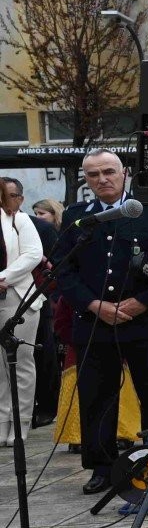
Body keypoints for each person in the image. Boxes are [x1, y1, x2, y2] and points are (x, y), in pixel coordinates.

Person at [56, 150, 148, 495]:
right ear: (86, 179)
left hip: (145, 322)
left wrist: (142, 302)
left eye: (109, 171)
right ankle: (100, 467)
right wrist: (94, 303)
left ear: (125, 172)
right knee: (97, 399)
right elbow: (63, 271)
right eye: (94, 174)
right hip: (95, 324)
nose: (102, 179)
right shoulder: (76, 216)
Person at [0, 177, 46, 443]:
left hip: (17, 296)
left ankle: (20, 422)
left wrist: (4, 275)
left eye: (14, 194)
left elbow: (32, 254)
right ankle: (3, 420)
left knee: (19, 360)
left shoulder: (19, 219)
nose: (12, 199)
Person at [29, 197, 61, 425]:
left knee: (42, 353)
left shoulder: (41, 228)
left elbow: (57, 266)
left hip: (39, 298)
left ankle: (47, 406)